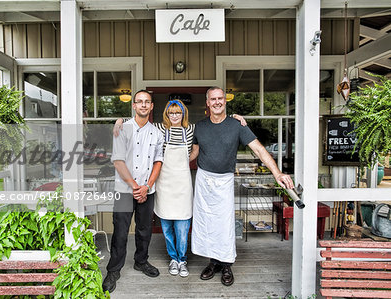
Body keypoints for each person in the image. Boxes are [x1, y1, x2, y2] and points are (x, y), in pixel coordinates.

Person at [114, 99, 246, 279]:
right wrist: (119, 120)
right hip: (164, 183)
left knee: (183, 225)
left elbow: (215, 121)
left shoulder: (192, 129)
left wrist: (235, 117)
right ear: (166, 114)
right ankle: (173, 258)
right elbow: (140, 119)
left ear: (183, 114)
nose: (174, 116)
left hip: (183, 184)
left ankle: (182, 259)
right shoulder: (159, 129)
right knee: (167, 225)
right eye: (171, 113)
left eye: (178, 112)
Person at [190, 86, 294, 287]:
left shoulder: (237, 125)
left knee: (225, 224)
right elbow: (193, 153)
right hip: (204, 181)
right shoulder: (200, 127)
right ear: (208, 102)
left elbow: (259, 150)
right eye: (213, 99)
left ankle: (227, 264)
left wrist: (277, 173)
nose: (217, 102)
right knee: (207, 223)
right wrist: (173, 164)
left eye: (220, 98)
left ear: (225, 101)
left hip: (224, 181)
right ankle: (213, 262)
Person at [102, 90, 164, 293]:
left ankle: (141, 261)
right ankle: (113, 270)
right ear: (134, 106)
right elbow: (118, 161)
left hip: (147, 190)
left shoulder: (157, 133)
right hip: (124, 190)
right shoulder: (122, 129)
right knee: (120, 232)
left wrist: (146, 186)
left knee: (144, 230)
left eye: (147, 102)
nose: (144, 105)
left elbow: (158, 162)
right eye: (140, 102)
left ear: (152, 106)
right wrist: (135, 186)